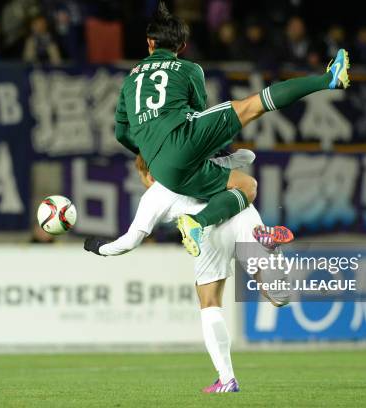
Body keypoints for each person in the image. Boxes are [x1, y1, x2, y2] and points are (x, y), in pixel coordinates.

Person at [114, 2, 349, 257]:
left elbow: (121, 133)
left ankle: (199, 223)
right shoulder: (189, 69)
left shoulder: (130, 80)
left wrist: (148, 152)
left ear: (149, 43)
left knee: (246, 186)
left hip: (163, 169)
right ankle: (329, 79)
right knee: (251, 107)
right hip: (183, 144)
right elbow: (199, 114)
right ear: (182, 47)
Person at [83, 150, 293, 393]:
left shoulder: (156, 194)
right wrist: (230, 155)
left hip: (206, 230)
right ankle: (269, 245)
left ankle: (227, 379)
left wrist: (100, 248)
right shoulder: (199, 161)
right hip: (240, 211)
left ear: (149, 174)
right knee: (279, 297)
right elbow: (248, 157)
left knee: (210, 301)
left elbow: (130, 241)